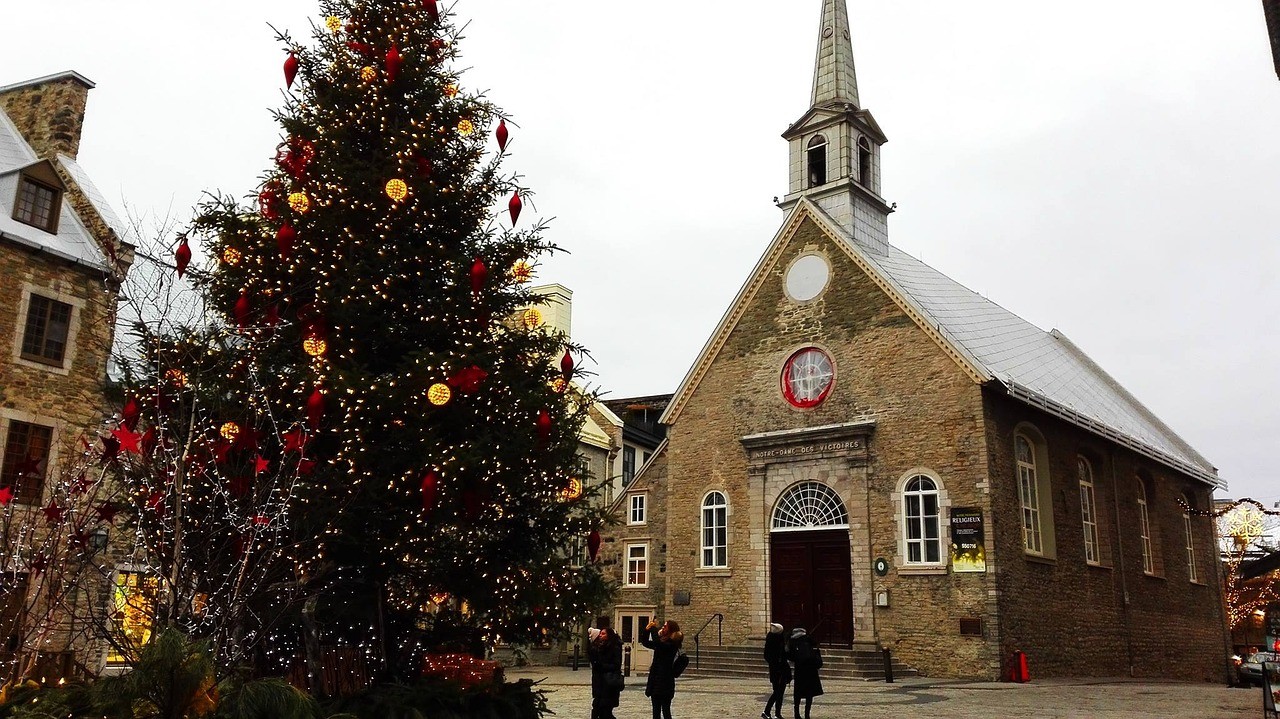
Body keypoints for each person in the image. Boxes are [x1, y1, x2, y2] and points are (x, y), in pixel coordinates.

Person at [640, 619, 683, 719]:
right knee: (656, 711)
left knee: (665, 710)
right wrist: (647, 630)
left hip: (665, 682)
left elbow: (658, 644)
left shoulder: (671, 644)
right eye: (663, 626)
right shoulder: (662, 641)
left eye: (665, 627)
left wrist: (654, 628)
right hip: (655, 680)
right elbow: (646, 642)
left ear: (671, 630)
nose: (663, 628)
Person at [587, 616, 624, 719]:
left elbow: (616, 665)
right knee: (597, 709)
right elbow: (592, 655)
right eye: (600, 634)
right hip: (599, 682)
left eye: (603, 634)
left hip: (609, 682)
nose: (600, 636)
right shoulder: (600, 647)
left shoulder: (614, 648)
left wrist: (602, 666)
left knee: (605, 712)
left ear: (609, 636)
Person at [786, 627, 823, 719]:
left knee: (798, 693)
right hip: (810, 670)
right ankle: (807, 715)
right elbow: (815, 645)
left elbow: (790, 656)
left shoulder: (792, 641)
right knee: (809, 694)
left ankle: (796, 713)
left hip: (800, 670)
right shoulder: (808, 639)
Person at [762, 623, 791, 719]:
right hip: (778, 671)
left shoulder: (777, 640)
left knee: (779, 692)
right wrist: (776, 664)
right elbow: (769, 656)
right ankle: (767, 711)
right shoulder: (774, 641)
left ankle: (777, 713)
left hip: (779, 670)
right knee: (777, 692)